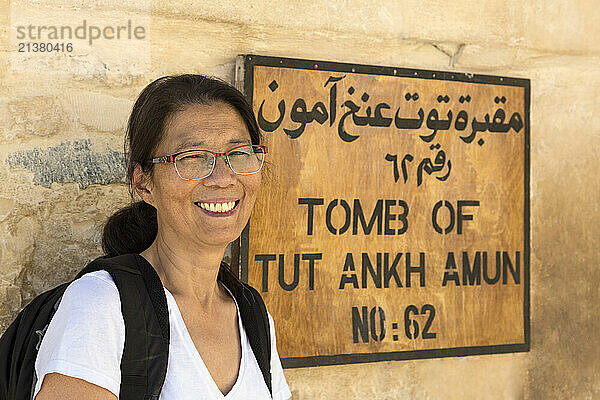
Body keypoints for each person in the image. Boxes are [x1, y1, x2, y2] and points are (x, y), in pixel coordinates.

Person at [33, 75, 292, 399]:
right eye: (192, 157)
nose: (223, 178)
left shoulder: (253, 316)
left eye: (238, 153)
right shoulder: (102, 305)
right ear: (144, 183)